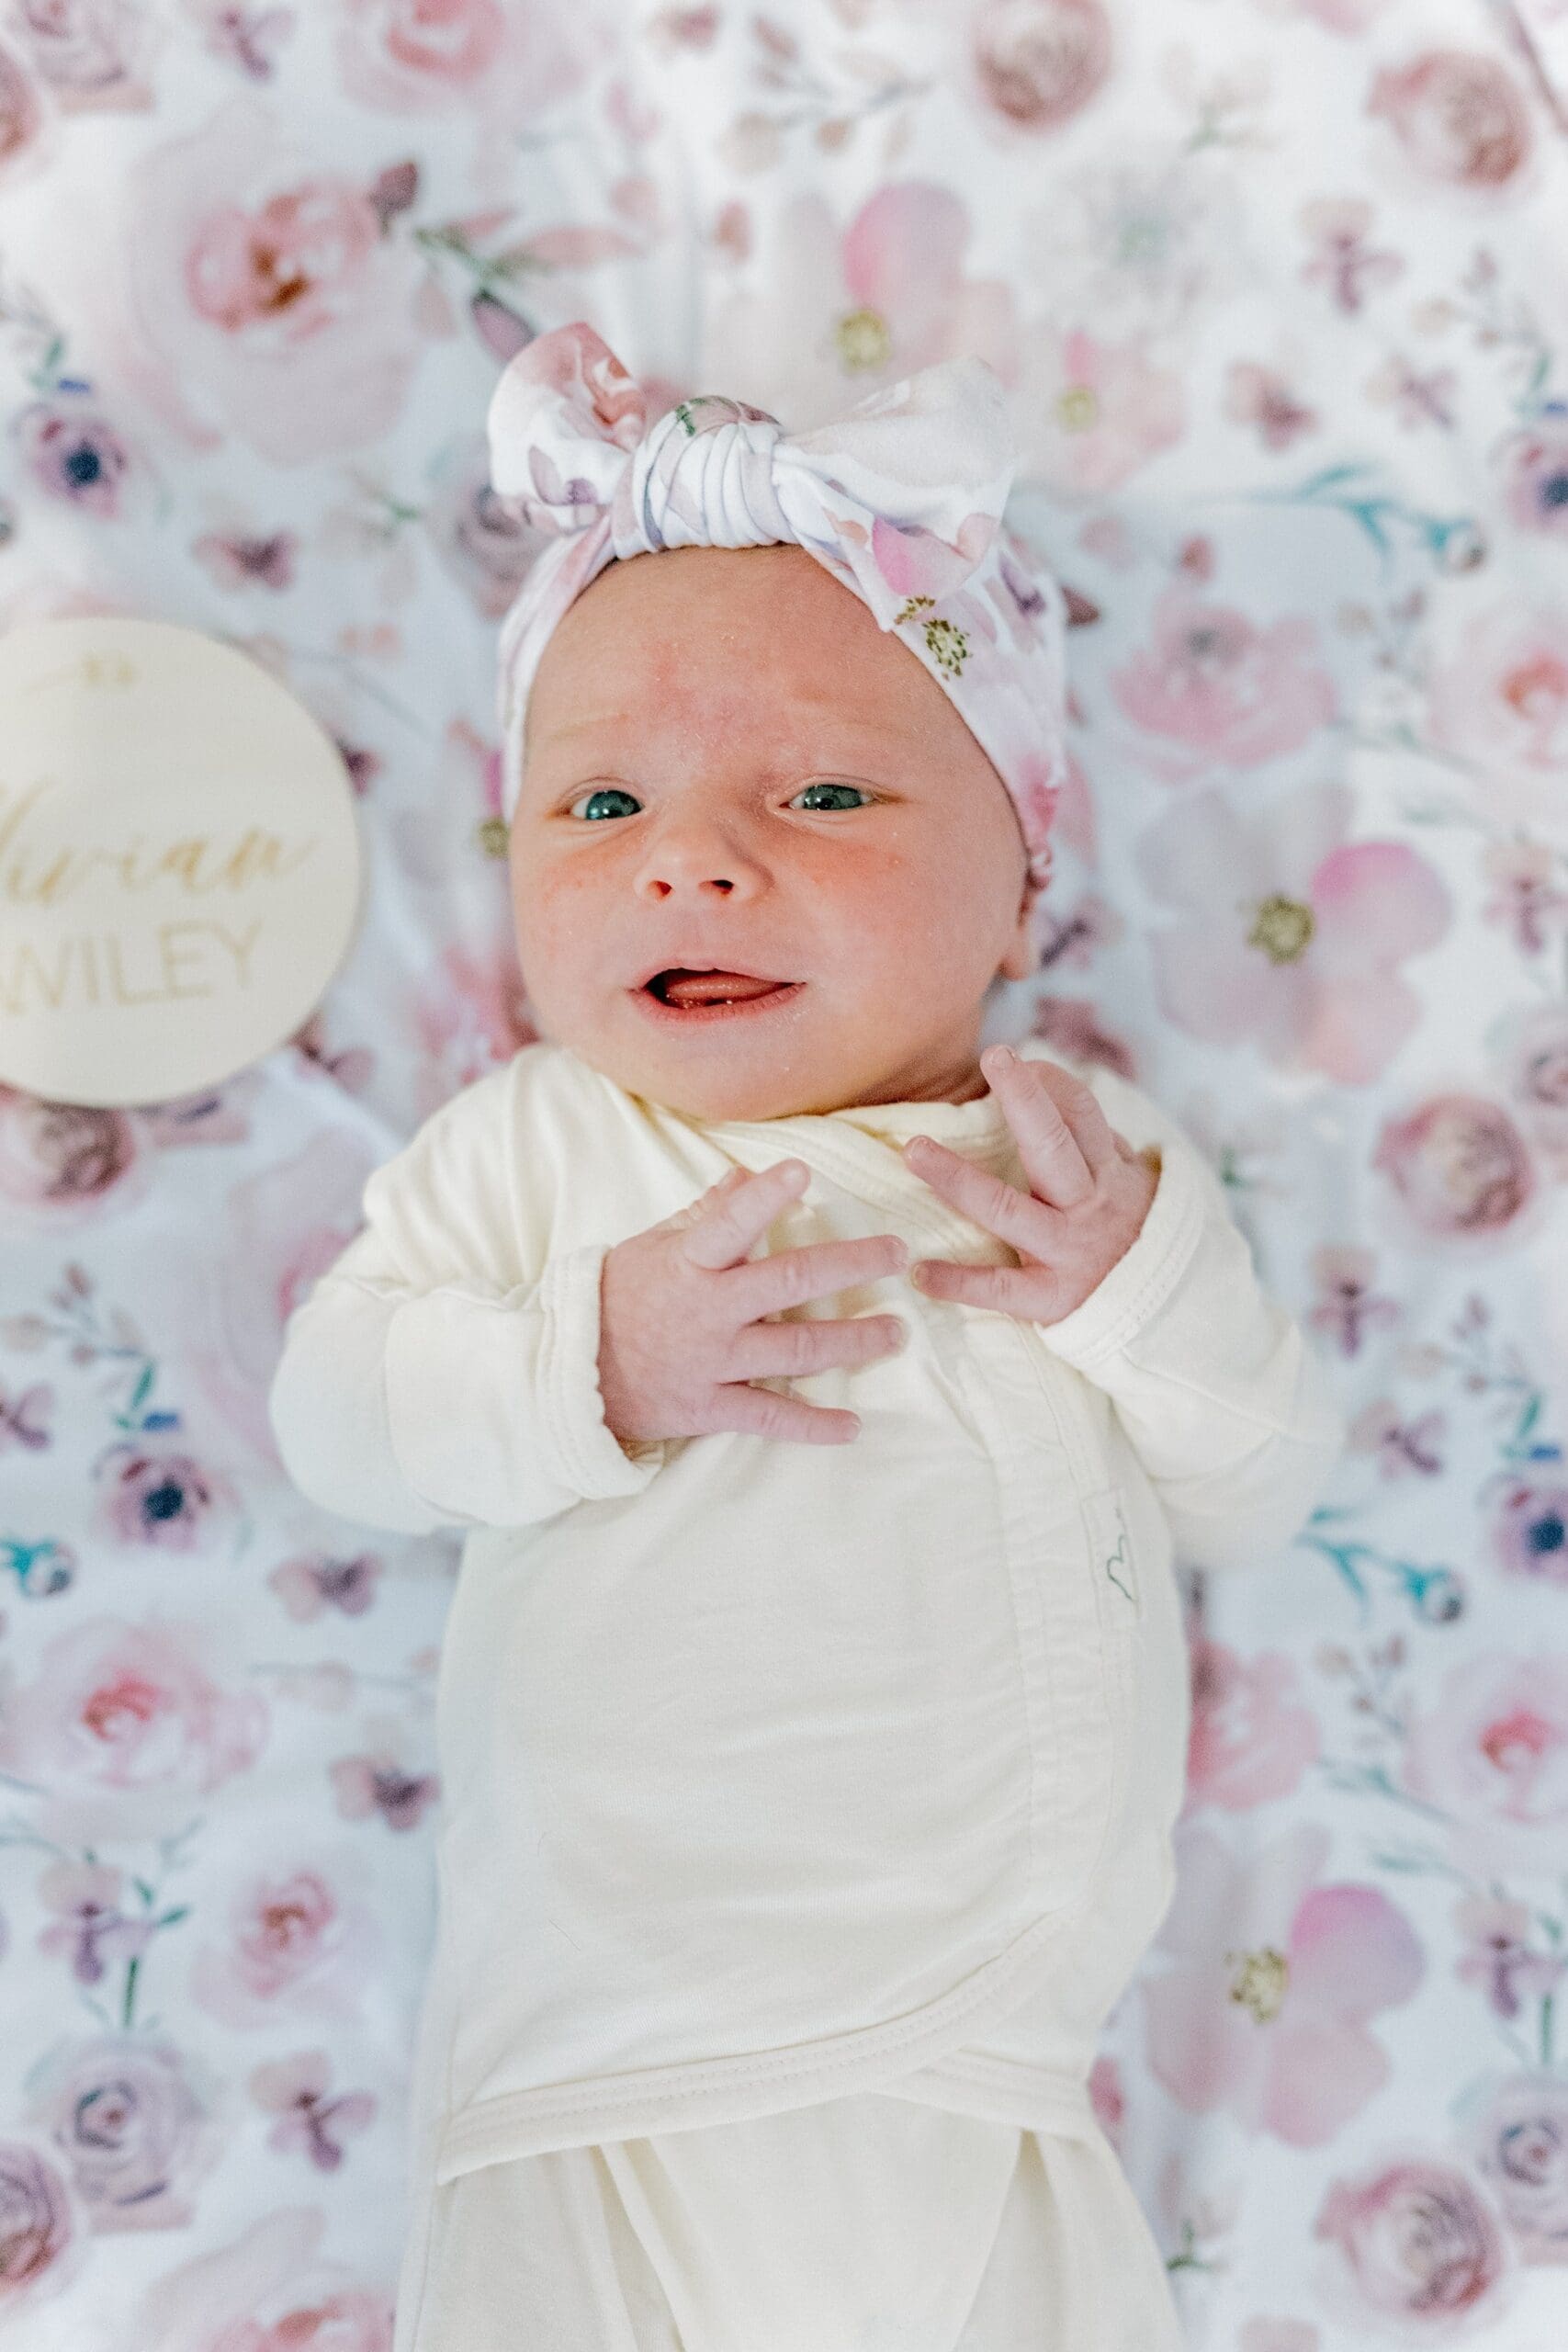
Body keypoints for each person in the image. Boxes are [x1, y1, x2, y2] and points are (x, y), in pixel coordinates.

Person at [267, 321, 1345, 2351]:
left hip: (986, 2081)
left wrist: (1128, 1293)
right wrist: (578, 1361)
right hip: (591, 2074)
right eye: (593, 801)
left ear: (1022, 882)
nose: (688, 855)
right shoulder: (544, 1150)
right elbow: (339, 1413)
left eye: (824, 786)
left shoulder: (1069, 1157)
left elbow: (1254, 1468)